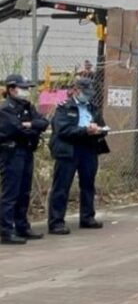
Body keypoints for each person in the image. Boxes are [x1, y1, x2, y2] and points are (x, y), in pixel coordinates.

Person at [47, 77, 109, 234]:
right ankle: (56, 222)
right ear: (75, 90)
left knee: (88, 184)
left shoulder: (93, 108)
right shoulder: (64, 108)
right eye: (85, 92)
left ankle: (87, 217)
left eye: (90, 93)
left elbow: (102, 125)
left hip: (89, 148)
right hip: (69, 149)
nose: (87, 96)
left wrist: (100, 130)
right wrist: (85, 130)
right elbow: (63, 130)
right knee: (62, 186)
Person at [0, 74, 49, 244]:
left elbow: (43, 123)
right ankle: (6, 230)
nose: (26, 91)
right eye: (23, 88)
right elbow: (17, 130)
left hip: (27, 151)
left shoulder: (27, 106)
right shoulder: (6, 109)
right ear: (12, 89)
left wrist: (30, 125)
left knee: (24, 192)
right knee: (11, 193)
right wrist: (31, 127)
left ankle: (22, 226)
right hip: (12, 153)